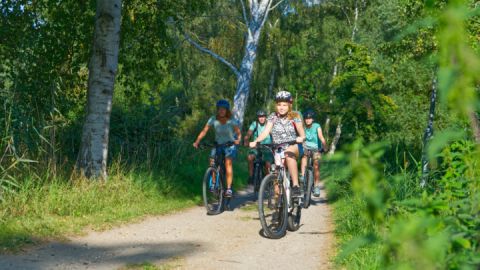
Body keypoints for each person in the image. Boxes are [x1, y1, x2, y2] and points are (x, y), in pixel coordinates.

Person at [249, 90, 306, 197]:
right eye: (279, 104)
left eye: (284, 104)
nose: (282, 107)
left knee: (288, 155)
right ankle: (279, 202)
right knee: (276, 172)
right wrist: (256, 141)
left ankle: (296, 186)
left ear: (290, 105)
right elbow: (265, 131)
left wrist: (301, 138)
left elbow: (302, 132)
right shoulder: (272, 116)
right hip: (278, 148)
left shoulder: (295, 116)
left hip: (292, 145)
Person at [193, 99, 241, 197]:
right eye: (220, 109)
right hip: (218, 145)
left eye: (224, 109)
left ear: (227, 110)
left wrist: (238, 140)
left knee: (228, 163)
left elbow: (238, 133)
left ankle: (228, 189)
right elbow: (204, 131)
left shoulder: (232, 120)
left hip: (229, 146)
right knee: (212, 162)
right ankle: (213, 183)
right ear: (217, 109)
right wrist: (197, 141)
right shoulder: (213, 119)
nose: (221, 111)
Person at [300, 109, 327, 197]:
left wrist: (324, 145)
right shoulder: (302, 126)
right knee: (304, 156)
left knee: (316, 165)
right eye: (306, 118)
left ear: (313, 119)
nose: (308, 120)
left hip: (316, 148)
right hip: (306, 147)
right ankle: (303, 177)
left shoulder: (317, 126)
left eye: (310, 118)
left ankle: (316, 186)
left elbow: (321, 136)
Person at [244, 109, 273, 184]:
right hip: (256, 146)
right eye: (260, 117)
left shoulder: (268, 124)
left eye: (263, 116)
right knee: (250, 157)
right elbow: (248, 134)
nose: (261, 118)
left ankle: (267, 181)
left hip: (267, 147)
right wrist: (246, 140)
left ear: (265, 117)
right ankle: (251, 177)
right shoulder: (255, 124)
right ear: (257, 117)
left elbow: (273, 135)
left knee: (268, 164)